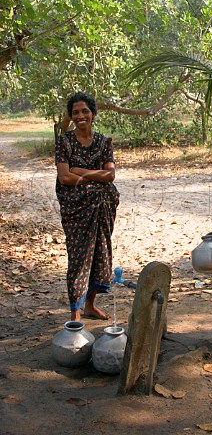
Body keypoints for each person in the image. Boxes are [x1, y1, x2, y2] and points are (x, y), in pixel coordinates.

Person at [55, 92, 119, 321]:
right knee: (79, 258)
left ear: (93, 113)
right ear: (71, 117)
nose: (80, 116)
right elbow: (64, 178)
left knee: (99, 254)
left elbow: (110, 175)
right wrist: (96, 178)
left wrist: (80, 172)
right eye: (75, 112)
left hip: (102, 209)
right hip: (76, 210)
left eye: (85, 111)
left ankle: (90, 305)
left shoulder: (104, 143)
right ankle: (75, 315)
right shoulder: (65, 142)